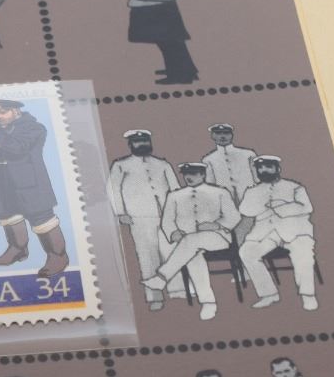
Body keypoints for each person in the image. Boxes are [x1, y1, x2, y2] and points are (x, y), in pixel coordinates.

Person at [0, 97, 68, 275]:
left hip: (29, 183)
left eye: (3, 112)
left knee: (43, 220)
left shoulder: (34, 128)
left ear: (16, 111)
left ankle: (58, 256)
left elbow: (17, 148)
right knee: (8, 217)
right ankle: (17, 250)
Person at [146, 161, 241, 321]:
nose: (189, 177)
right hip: (188, 243)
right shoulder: (174, 196)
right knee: (193, 256)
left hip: (217, 238)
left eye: (194, 174)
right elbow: (167, 221)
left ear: (202, 175)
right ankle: (208, 303)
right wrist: (173, 233)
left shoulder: (219, 192)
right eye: (186, 174)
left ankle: (162, 277)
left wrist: (215, 225)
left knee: (190, 243)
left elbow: (234, 217)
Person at [106, 129, 183, 310]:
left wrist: (178, 213)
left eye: (145, 141)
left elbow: (175, 188)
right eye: (137, 141)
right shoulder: (121, 165)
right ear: (130, 144)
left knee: (172, 253)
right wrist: (120, 212)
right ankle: (155, 297)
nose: (142, 144)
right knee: (147, 257)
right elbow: (113, 190)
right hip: (139, 217)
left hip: (167, 216)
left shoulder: (162, 164)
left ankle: (178, 291)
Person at [237, 155, 319, 311]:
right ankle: (269, 294)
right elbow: (245, 210)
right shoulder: (252, 191)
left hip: (295, 231)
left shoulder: (294, 187)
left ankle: (308, 295)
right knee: (247, 252)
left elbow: (306, 208)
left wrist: (279, 206)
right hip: (265, 233)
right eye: (260, 168)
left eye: (268, 167)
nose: (264, 170)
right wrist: (261, 203)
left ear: (278, 169)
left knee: (303, 254)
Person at [201, 123, 257, 204]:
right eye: (218, 133)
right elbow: (210, 183)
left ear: (231, 135)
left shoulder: (248, 154)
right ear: (213, 136)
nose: (222, 136)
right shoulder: (209, 159)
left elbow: (257, 178)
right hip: (225, 198)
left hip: (249, 195)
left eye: (226, 133)